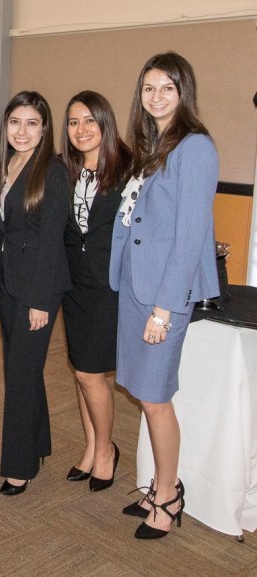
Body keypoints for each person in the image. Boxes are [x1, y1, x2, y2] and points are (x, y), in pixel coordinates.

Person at [111, 52, 218, 539]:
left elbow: (191, 235)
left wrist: (165, 307)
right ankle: (158, 485)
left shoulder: (195, 148)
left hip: (162, 296)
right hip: (137, 286)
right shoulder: (152, 146)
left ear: (183, 92)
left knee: (155, 400)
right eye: (148, 88)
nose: (156, 97)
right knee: (143, 393)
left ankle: (170, 495)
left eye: (167, 88)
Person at [0, 91, 71, 495]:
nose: (22, 131)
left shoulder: (53, 170)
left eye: (32, 124)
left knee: (20, 375)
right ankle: (37, 445)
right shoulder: (4, 163)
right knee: (22, 368)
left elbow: (52, 238)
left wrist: (41, 300)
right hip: (8, 280)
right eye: (15, 122)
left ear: (45, 128)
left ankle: (18, 466)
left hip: (38, 286)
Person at [60, 91, 132, 491]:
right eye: (73, 122)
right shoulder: (65, 170)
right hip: (74, 283)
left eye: (90, 121)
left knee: (91, 371)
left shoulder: (127, 170)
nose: (81, 130)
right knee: (81, 369)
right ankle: (91, 447)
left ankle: (106, 450)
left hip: (109, 284)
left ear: (105, 123)